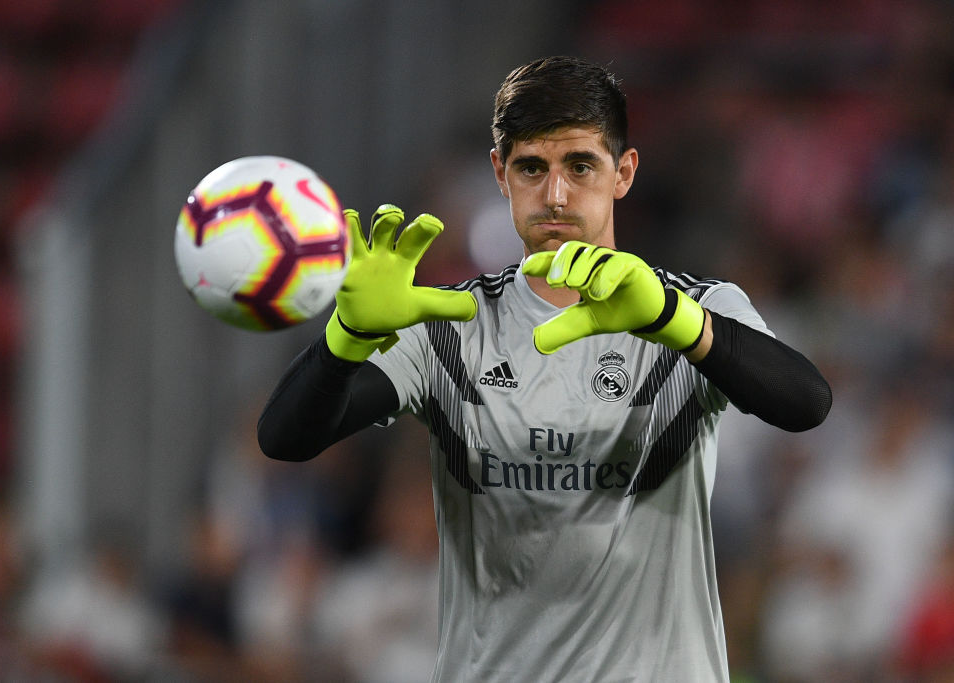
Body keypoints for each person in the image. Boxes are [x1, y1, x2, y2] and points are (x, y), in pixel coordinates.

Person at [257, 55, 832, 682]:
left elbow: (806, 404)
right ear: (501, 174)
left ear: (624, 173)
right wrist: (346, 337)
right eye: (533, 167)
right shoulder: (451, 328)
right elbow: (285, 437)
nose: (555, 195)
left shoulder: (695, 310)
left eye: (580, 165)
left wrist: (676, 321)